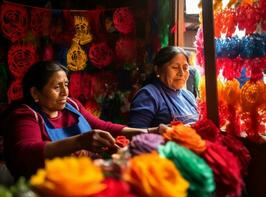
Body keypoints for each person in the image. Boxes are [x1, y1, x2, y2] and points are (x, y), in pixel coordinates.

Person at [3, 61, 164, 179]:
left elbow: (104, 127)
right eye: (56, 87)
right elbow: (25, 152)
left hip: (85, 180)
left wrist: (151, 131)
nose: (65, 92)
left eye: (66, 84)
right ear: (35, 93)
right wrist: (79, 142)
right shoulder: (25, 115)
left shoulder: (72, 105)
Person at [129, 46, 199, 128]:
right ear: (157, 70)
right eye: (175, 67)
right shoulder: (148, 95)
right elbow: (136, 134)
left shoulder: (189, 96)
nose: (181, 73)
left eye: (185, 68)